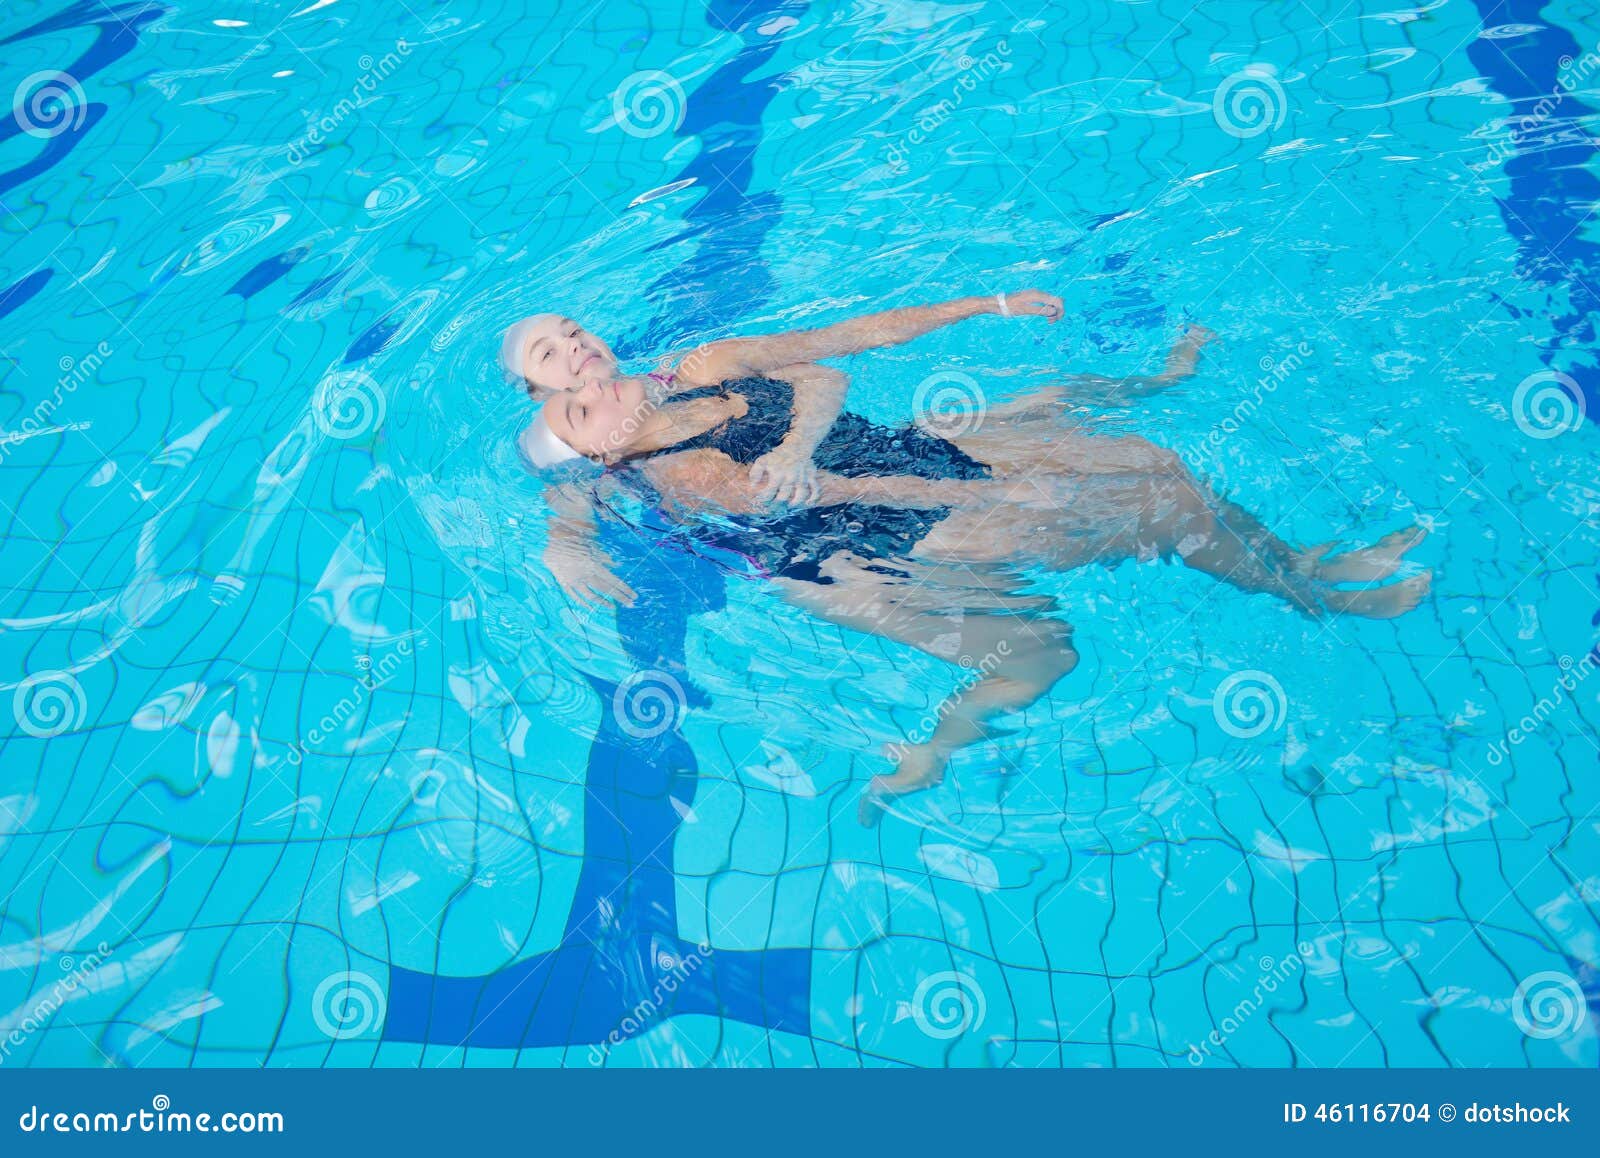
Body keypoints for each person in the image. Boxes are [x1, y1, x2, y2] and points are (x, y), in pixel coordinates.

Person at [523, 351, 1430, 823]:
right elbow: (836, 494)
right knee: (1083, 598)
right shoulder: (674, 470)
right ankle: (1321, 595)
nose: (590, 372)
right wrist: (976, 489)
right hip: (871, 537)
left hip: (884, 468)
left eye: (582, 364)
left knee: (1145, 462)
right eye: (573, 393)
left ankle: (1301, 565)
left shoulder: (673, 395)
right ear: (596, 443)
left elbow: (824, 371)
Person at [500, 291, 1069, 605]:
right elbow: (566, 505)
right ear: (535, 394)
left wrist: (986, 303)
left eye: (573, 330)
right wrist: (565, 549)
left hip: (850, 465)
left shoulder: (688, 369)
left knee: (1066, 419)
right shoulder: (603, 458)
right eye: (548, 355)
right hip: (817, 536)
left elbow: (843, 341)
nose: (574, 349)